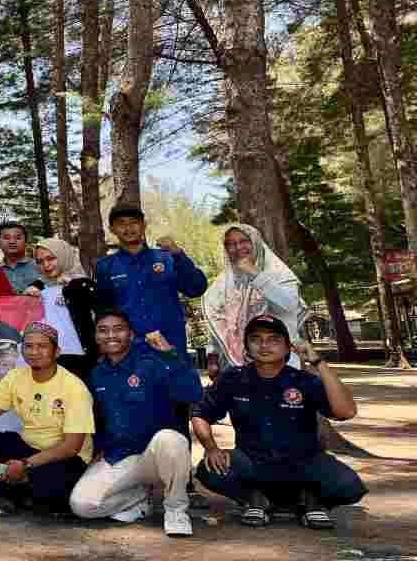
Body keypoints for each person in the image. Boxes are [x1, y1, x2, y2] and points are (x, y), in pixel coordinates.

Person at [191, 314, 365, 529]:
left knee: (349, 486)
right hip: (253, 463)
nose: (264, 345)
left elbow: (346, 411)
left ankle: (310, 500)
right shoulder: (233, 378)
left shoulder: (303, 381)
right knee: (209, 469)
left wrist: (317, 362)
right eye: (256, 339)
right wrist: (211, 448)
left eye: (274, 339)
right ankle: (255, 499)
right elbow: (200, 413)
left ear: (288, 348)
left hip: (304, 465)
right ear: (247, 347)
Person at [94, 204, 209, 507]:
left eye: (134, 222)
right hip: (128, 355)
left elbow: (197, 286)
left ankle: (183, 484)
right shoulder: (106, 266)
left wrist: (179, 254)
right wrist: (107, 348)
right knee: (131, 414)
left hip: (168, 351)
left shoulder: (166, 258)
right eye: (121, 224)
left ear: (143, 224)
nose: (128, 228)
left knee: (176, 413)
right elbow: (104, 311)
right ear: (113, 230)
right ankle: (138, 485)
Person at [69, 309, 203, 536]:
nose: (111, 335)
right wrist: (97, 449)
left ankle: (176, 510)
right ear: (96, 337)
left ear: (131, 334)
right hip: (121, 456)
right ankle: (140, 498)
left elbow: (192, 393)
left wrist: (170, 354)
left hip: (156, 454)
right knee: (82, 505)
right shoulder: (97, 374)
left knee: (171, 439)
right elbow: (99, 417)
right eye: (103, 330)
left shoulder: (152, 363)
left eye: (118, 329)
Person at [0, 322, 94, 516]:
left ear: (57, 351)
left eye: (42, 346)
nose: (34, 352)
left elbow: (71, 447)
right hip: (29, 449)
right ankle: (13, 489)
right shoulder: (15, 377)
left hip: (66, 458)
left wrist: (25, 465)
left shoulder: (74, 388)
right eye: (29, 346)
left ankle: (25, 486)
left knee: (47, 487)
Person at [203, 223, 308, 371]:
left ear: (256, 242)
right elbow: (217, 321)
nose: (238, 247)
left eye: (243, 241)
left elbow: (290, 304)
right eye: (230, 244)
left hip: (281, 364)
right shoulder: (222, 283)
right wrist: (212, 356)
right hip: (238, 367)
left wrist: (255, 273)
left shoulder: (278, 273)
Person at [32, 238, 99, 378]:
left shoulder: (83, 284)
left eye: (51, 258)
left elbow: (99, 312)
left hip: (82, 359)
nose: (46, 265)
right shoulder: (37, 288)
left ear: (63, 256)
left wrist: (71, 285)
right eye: (40, 261)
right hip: (49, 359)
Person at [0, 221, 42, 293]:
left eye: (18, 238)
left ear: (26, 243)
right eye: (6, 238)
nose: (12, 241)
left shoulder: (41, 266)